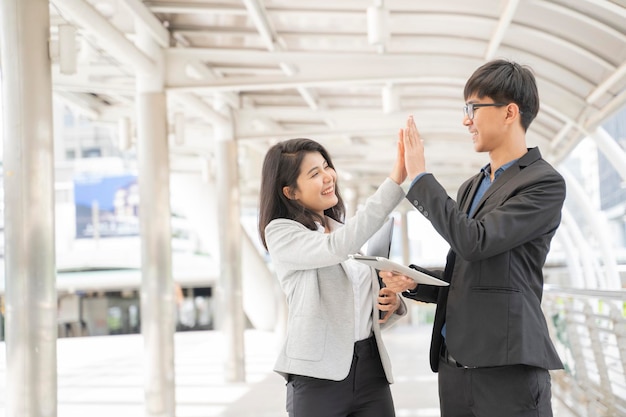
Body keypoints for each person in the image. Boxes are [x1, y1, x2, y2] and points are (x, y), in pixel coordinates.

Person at [381, 59, 566, 417]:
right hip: (454, 369)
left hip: (506, 370)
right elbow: (468, 270)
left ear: (509, 112)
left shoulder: (542, 183)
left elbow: (475, 241)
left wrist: (421, 179)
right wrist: (413, 280)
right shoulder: (472, 186)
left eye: (473, 108)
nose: (466, 120)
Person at [258, 137, 408, 417]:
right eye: (314, 173)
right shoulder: (281, 232)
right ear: (290, 192)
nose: (328, 177)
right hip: (318, 377)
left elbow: (353, 304)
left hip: (370, 371)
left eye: (326, 167)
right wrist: (395, 180)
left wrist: (388, 304)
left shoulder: (340, 231)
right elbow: (334, 249)